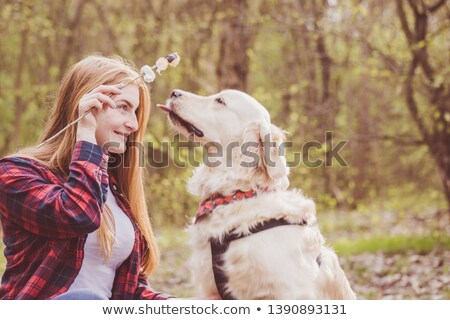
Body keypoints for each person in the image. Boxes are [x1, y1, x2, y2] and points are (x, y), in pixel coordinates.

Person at [0, 54, 173, 300]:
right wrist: (86, 132)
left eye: (135, 111)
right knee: (87, 301)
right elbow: (77, 214)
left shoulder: (114, 192)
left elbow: (130, 291)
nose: (134, 124)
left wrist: (188, 308)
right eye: (123, 107)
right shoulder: (15, 173)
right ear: (86, 105)